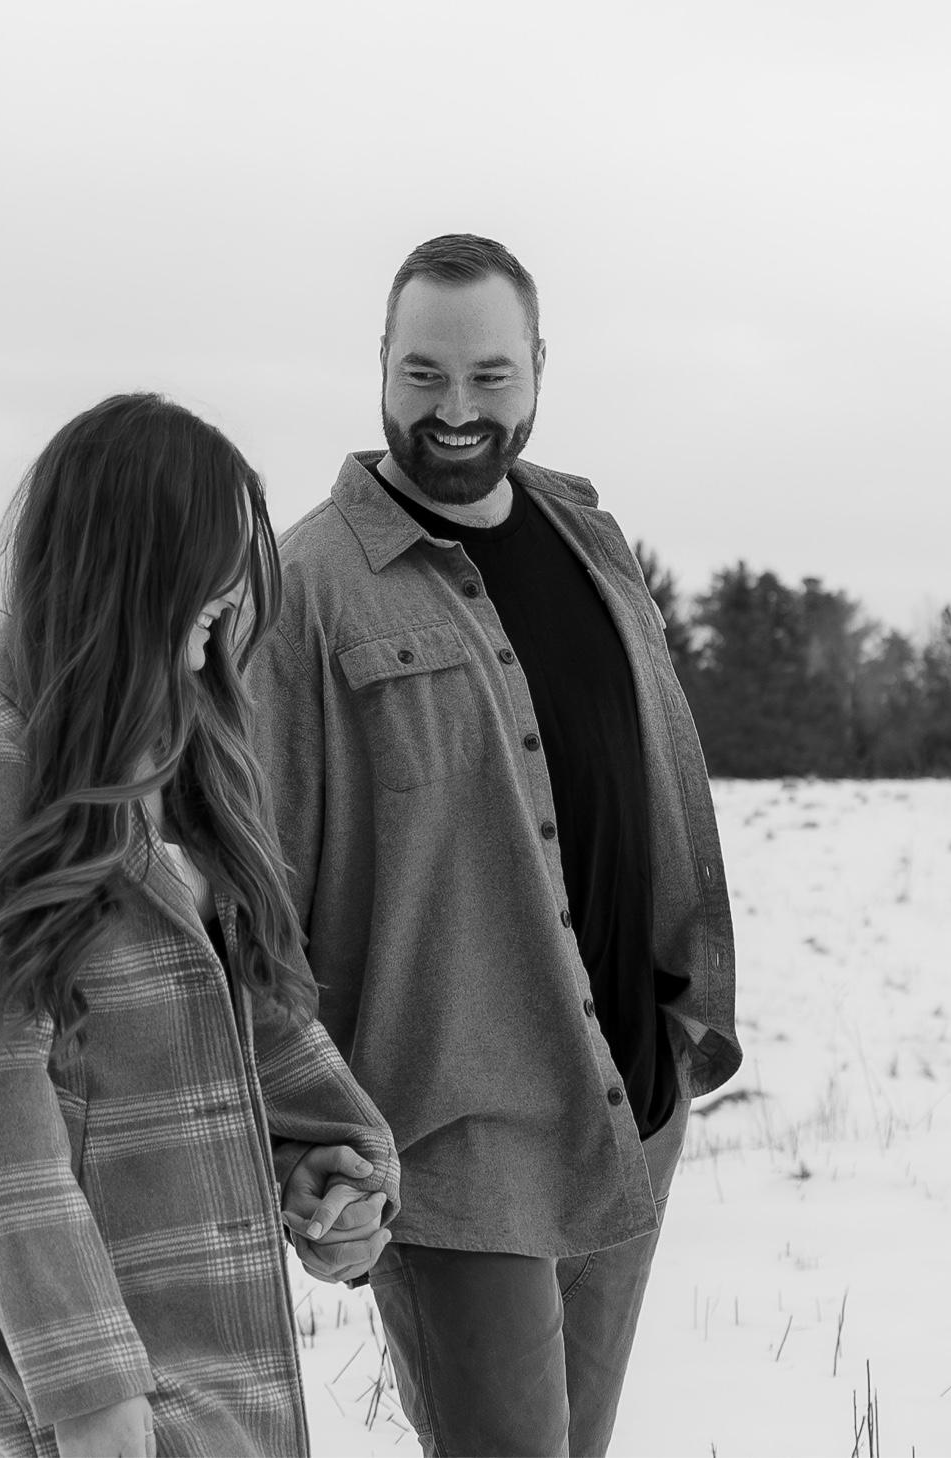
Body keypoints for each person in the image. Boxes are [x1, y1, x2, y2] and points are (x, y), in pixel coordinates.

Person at [249, 235, 742, 1457]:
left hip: (626, 1102)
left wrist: (679, 1021)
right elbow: (258, 900)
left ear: (537, 368)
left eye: (488, 375)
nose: (456, 410)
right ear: (380, 363)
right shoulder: (309, 585)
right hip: (452, 1141)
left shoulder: (586, 536)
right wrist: (311, 1137)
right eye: (423, 375)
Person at [0, 392, 401, 1458]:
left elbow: (242, 1017)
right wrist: (86, 1384)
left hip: (215, 1344)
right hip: (93, 1378)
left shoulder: (184, 753)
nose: (235, 589)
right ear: (132, 562)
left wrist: (325, 1163)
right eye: (213, 555)